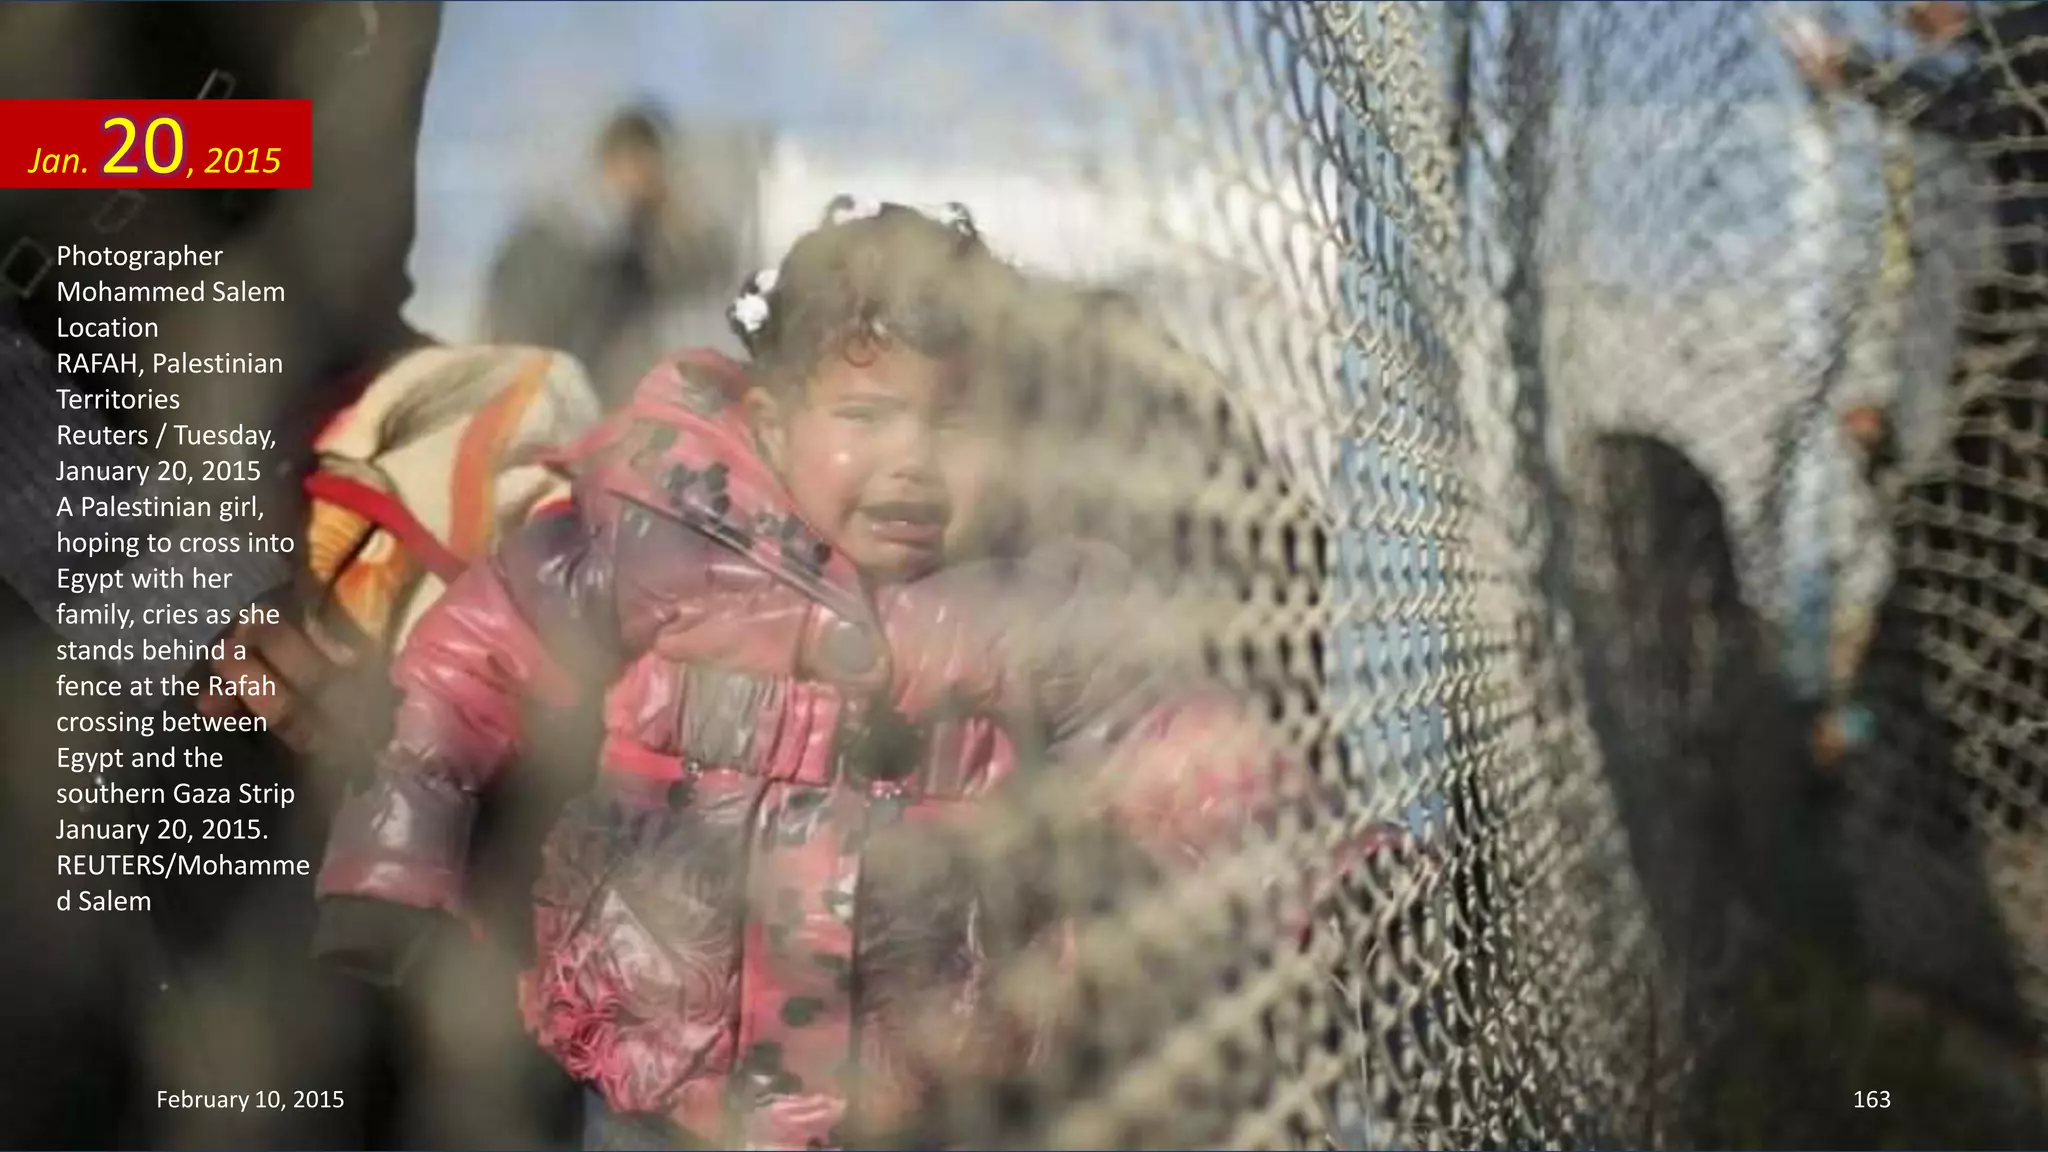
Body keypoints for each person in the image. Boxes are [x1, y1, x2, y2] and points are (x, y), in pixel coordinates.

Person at [309, 197, 1313, 1150]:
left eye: (954, 427)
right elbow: (474, 663)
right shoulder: (659, 534)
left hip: (926, 1088)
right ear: (776, 422)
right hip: (666, 1074)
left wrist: (1314, 882)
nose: (910, 461)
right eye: (866, 417)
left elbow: (1180, 751)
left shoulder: (1030, 601)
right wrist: (393, 859)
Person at [483, 103, 748, 403]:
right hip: (546, 397)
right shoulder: (559, 241)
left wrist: (673, 215)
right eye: (642, 165)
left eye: (656, 169)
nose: (649, 180)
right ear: (615, 162)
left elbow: (711, 267)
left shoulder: (637, 246)